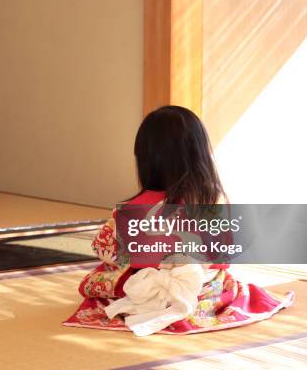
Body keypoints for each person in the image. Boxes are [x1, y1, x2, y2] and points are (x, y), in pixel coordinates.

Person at [63, 106, 294, 334]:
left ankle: (151, 301)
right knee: (220, 278)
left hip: (142, 292)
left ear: (145, 158)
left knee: (105, 274)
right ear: (200, 154)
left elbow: (105, 250)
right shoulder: (212, 199)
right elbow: (223, 257)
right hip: (201, 291)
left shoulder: (132, 208)